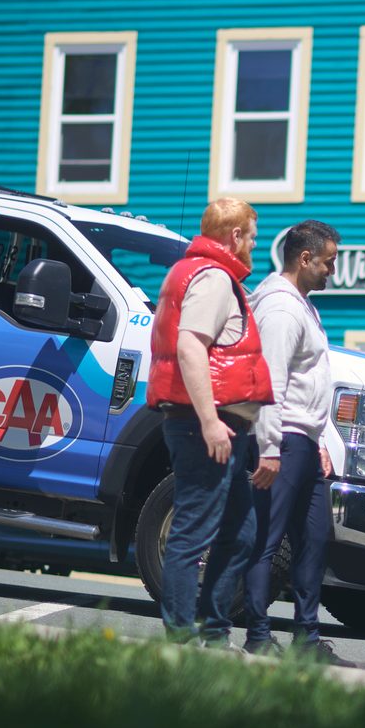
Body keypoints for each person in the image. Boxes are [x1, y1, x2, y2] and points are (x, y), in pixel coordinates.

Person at [146, 197, 273, 647]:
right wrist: (209, 421)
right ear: (234, 236)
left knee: (240, 532)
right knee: (192, 531)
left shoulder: (196, 272)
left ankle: (215, 633)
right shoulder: (214, 277)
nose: (254, 246)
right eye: (252, 237)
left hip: (222, 426)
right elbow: (190, 347)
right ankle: (182, 637)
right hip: (208, 426)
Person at [245, 219, 350, 664]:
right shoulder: (282, 310)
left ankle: (306, 639)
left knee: (315, 538)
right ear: (305, 259)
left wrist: (319, 439)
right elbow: (271, 383)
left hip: (304, 441)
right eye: (328, 262)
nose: (332, 271)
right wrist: (269, 447)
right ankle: (256, 635)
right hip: (281, 439)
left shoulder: (303, 307)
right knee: (266, 539)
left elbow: (310, 383)